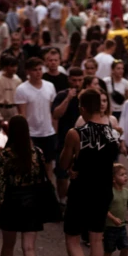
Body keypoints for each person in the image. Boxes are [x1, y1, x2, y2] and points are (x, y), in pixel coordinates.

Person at [0, 115, 49, 256]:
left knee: (8, 244)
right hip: (32, 202)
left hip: (11, 202)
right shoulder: (37, 153)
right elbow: (43, 180)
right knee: (29, 247)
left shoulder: (3, 156)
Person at [60, 88, 120, 256]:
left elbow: (63, 164)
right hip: (103, 191)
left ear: (83, 108)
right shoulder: (112, 134)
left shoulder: (75, 133)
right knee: (96, 239)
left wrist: (72, 165)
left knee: (72, 237)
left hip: (81, 190)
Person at [15, 57, 56, 181]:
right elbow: (22, 114)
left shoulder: (50, 86)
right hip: (32, 133)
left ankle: (48, 190)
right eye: (34, 70)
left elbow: (51, 110)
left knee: (48, 164)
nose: (38, 72)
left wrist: (54, 129)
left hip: (48, 132)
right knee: (33, 165)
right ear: (28, 72)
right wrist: (25, 135)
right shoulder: (22, 89)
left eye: (40, 69)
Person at [52, 66, 84, 199]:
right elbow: (56, 114)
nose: (77, 83)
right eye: (74, 80)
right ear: (69, 80)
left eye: (79, 80)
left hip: (83, 141)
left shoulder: (86, 96)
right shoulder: (62, 95)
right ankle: (62, 201)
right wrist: (68, 98)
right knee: (62, 174)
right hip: (64, 140)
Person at [0, 54, 21, 122]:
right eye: (12, 66)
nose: (14, 69)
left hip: (13, 109)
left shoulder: (17, 80)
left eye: (16, 66)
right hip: (2, 108)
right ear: (5, 67)